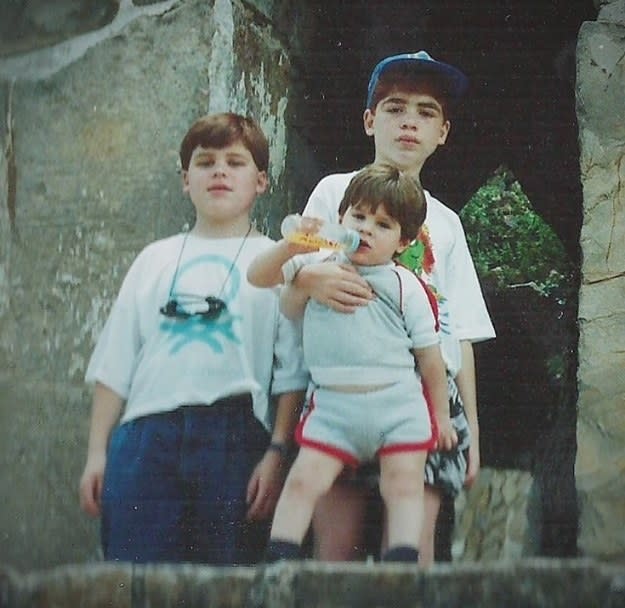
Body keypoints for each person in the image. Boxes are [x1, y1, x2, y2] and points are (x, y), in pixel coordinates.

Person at [282, 51, 496, 565]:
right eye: (396, 107)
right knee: (335, 545)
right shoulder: (335, 192)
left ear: (443, 132)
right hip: (344, 388)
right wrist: (311, 278)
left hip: (426, 398)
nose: (409, 121)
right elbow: (292, 279)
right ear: (370, 120)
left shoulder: (445, 223)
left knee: (414, 547)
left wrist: (471, 429)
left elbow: (458, 329)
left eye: (426, 112)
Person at [78, 112, 308, 564]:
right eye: (205, 162)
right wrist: (96, 454)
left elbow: (291, 373)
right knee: (136, 576)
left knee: (226, 579)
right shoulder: (154, 259)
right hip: (145, 438)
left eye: (235, 162)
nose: (219, 171)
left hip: (233, 436)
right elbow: (116, 363)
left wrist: (277, 453)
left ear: (261, 181)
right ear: (186, 180)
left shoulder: (278, 261)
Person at [248, 163, 457, 563]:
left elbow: (430, 359)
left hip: (397, 405)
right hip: (333, 408)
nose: (365, 229)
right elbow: (258, 277)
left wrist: (442, 418)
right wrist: (293, 246)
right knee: (304, 480)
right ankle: (279, 566)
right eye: (358, 216)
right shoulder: (317, 266)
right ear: (340, 218)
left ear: (402, 241)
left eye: (382, 224)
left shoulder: (405, 286)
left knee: (403, 485)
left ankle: (401, 563)